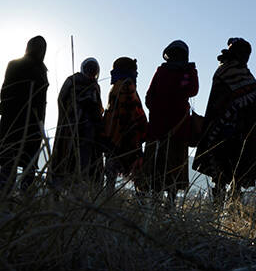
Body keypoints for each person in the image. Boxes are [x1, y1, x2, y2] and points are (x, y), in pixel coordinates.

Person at [193, 38, 256, 200]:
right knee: (224, 172)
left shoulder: (234, 70)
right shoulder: (230, 70)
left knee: (231, 172)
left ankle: (231, 207)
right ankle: (224, 207)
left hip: (233, 131)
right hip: (226, 130)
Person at [143, 40, 199, 204]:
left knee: (156, 168)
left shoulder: (163, 71)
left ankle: (156, 202)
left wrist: (156, 110)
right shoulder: (186, 71)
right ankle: (169, 204)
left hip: (159, 129)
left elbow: (149, 97)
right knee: (172, 169)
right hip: (176, 130)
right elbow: (193, 90)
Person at [0, 36, 49, 191]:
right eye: (36, 46)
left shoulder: (42, 70)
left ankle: (24, 201)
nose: (39, 49)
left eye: (42, 47)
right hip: (13, 122)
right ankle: (4, 201)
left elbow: (41, 102)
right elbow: (6, 93)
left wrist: (40, 122)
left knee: (29, 167)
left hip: (33, 126)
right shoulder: (16, 65)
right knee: (10, 165)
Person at [49, 58, 104, 188]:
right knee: (68, 158)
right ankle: (61, 189)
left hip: (89, 131)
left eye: (93, 69)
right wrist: (74, 109)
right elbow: (62, 100)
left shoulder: (95, 86)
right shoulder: (72, 81)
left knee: (86, 161)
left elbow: (98, 107)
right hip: (71, 129)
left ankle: (82, 189)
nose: (92, 71)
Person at [101, 57, 148, 193]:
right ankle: (141, 205)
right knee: (138, 175)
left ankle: (107, 202)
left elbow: (110, 114)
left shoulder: (115, 87)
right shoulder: (128, 86)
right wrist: (143, 129)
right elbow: (135, 112)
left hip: (113, 139)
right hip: (129, 141)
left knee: (111, 176)